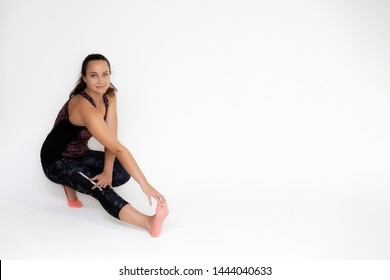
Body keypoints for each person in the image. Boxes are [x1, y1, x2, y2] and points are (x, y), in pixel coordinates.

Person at [40, 54, 168, 237]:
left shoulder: (109, 95)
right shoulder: (84, 107)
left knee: (121, 173)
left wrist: (108, 170)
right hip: (56, 160)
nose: (101, 81)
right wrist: (145, 185)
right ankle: (148, 222)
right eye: (93, 75)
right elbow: (118, 148)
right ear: (84, 78)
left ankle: (72, 182)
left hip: (80, 153)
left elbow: (112, 138)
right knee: (100, 189)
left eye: (105, 74)